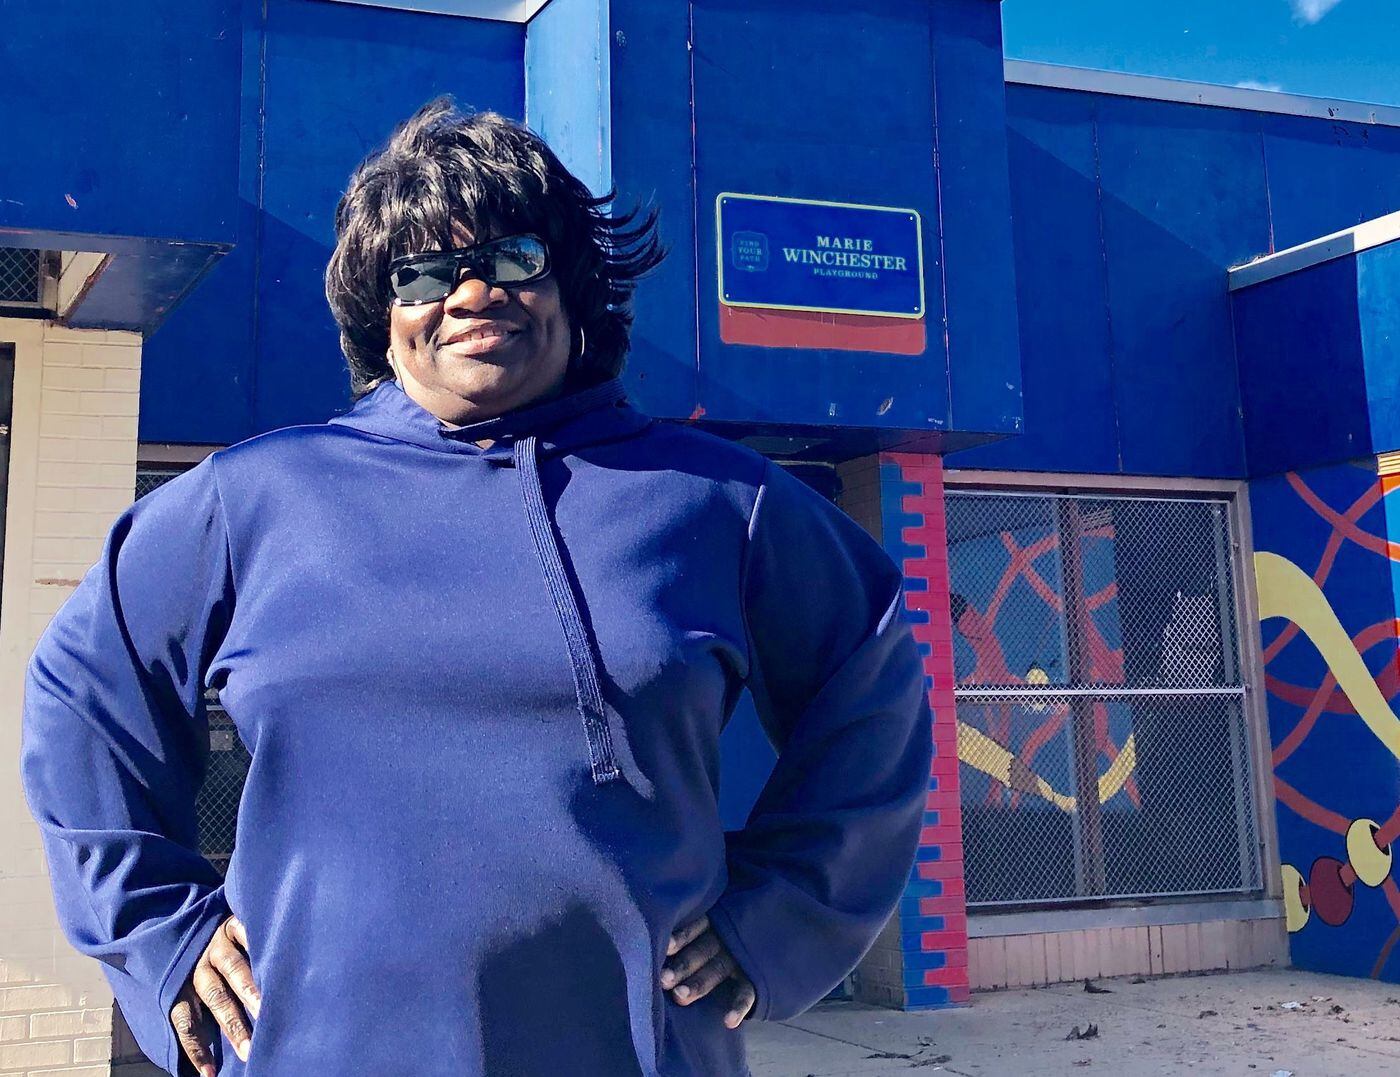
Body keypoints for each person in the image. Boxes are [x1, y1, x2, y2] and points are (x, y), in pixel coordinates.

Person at [20, 96, 932, 1077]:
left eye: (509, 259)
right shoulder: (254, 501)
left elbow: (872, 678)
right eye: (423, 274)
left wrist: (782, 919)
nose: (470, 294)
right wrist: (160, 931)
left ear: (570, 286)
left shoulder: (712, 501)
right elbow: (83, 695)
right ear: (385, 314)